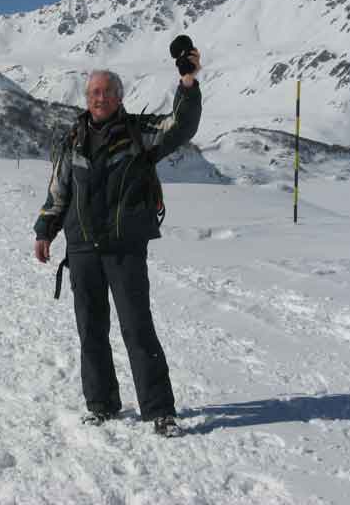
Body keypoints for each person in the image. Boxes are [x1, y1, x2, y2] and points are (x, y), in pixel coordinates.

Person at [33, 51, 202, 436]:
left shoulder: (139, 133)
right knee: (91, 331)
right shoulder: (71, 140)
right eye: (94, 91)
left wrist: (188, 86)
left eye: (107, 92)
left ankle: (160, 410)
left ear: (119, 97)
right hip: (82, 249)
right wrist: (45, 231)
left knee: (137, 328)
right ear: (86, 97)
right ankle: (102, 404)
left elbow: (181, 127)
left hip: (124, 247)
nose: (100, 97)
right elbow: (58, 193)